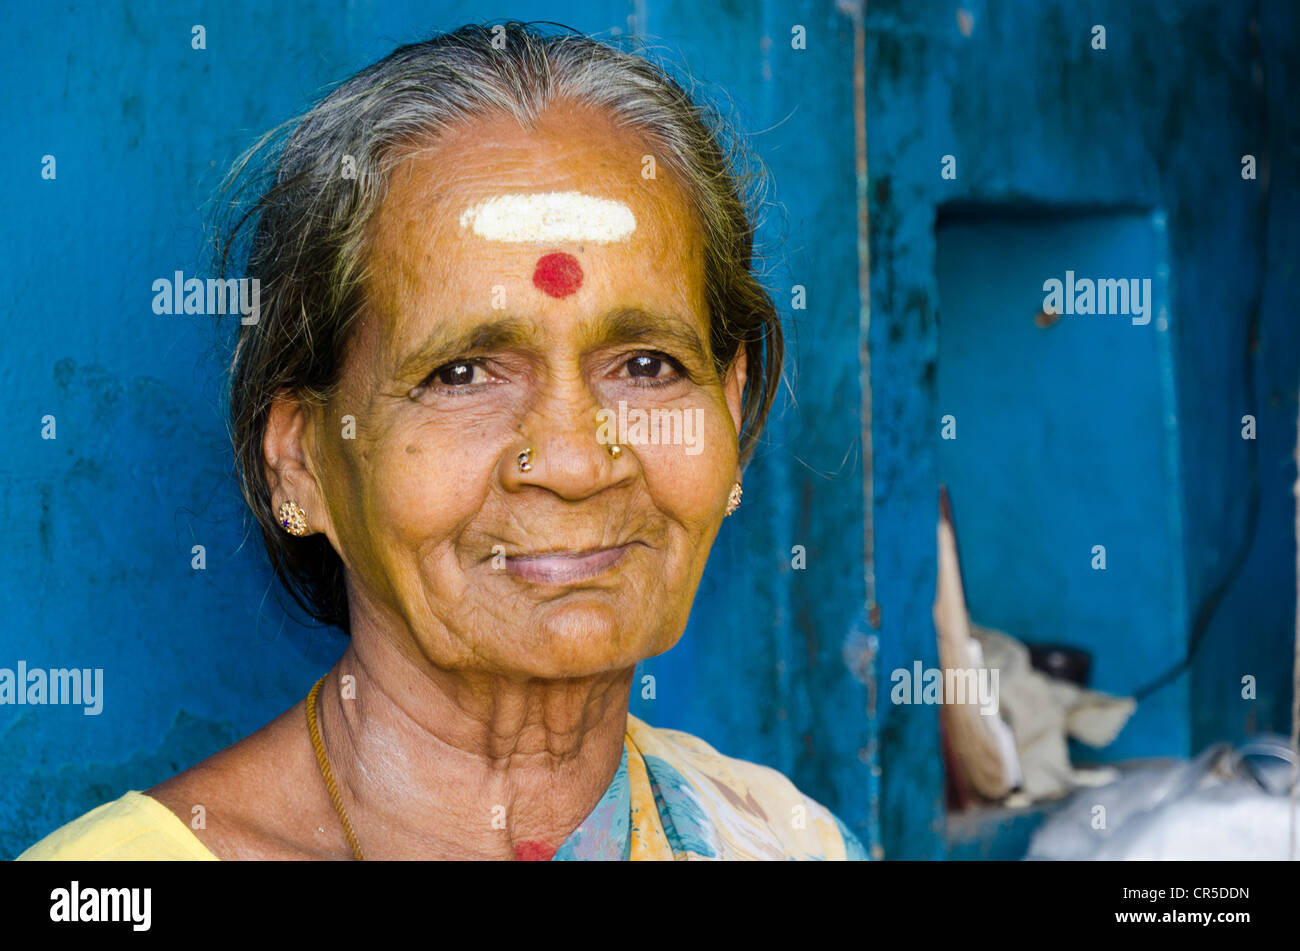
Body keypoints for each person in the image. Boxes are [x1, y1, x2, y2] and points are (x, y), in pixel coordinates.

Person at [20, 22, 867, 861]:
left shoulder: (786, 841)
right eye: (461, 374)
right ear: (302, 460)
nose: (574, 462)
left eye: (645, 364)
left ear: (729, 402)